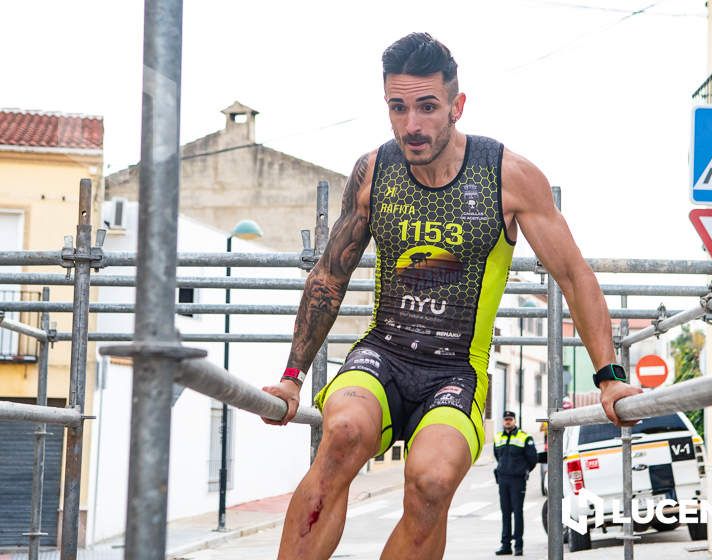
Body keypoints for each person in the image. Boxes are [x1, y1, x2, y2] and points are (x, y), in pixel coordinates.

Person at [261, 32, 642, 560]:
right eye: (398, 108)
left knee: (432, 481)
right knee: (342, 434)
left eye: (427, 107)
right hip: (382, 354)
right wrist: (290, 379)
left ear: (456, 106)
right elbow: (330, 274)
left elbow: (575, 276)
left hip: (456, 371)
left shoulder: (509, 176)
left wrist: (609, 378)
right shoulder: (374, 171)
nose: (412, 125)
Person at [493, 411, 538, 556]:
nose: (507, 422)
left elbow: (533, 459)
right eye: (506, 419)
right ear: (503, 421)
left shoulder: (524, 437)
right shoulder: (498, 437)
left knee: (517, 513)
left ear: (514, 421)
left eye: (510, 419)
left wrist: (522, 471)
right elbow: (497, 455)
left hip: (517, 480)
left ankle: (519, 546)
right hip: (503, 479)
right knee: (505, 513)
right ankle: (505, 545)